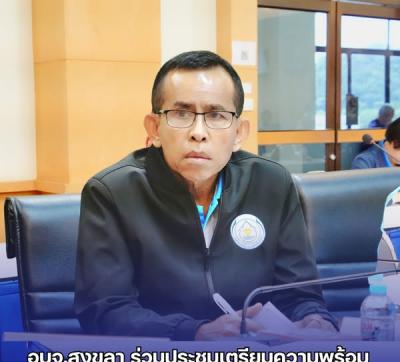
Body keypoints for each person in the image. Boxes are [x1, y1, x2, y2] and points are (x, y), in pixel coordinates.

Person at [75, 51, 336, 340]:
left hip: (257, 357)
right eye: (181, 114)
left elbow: (299, 294)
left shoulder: (271, 184)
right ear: (155, 128)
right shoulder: (113, 193)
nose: (198, 133)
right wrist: (196, 332)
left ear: (239, 133)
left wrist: (314, 318)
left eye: (216, 115)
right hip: (162, 360)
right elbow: (105, 310)